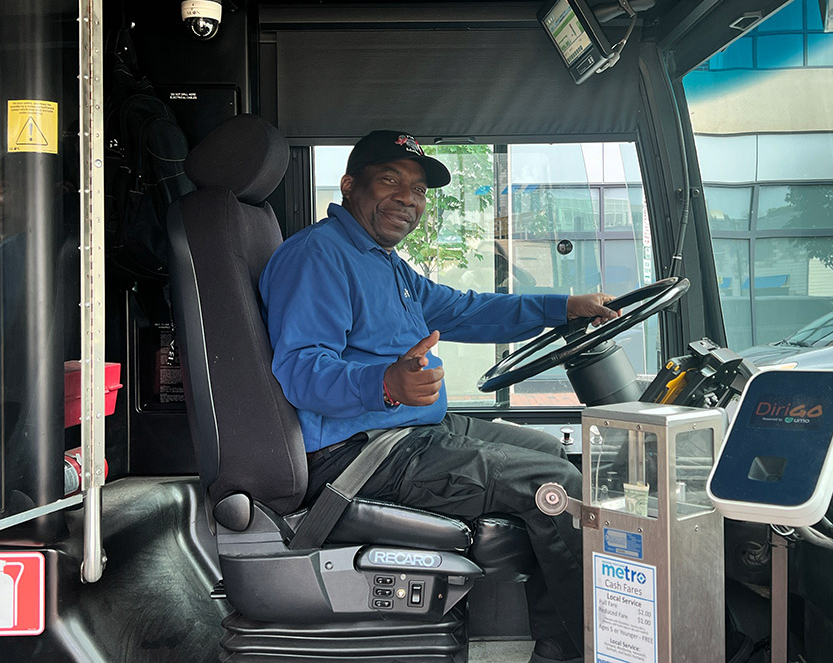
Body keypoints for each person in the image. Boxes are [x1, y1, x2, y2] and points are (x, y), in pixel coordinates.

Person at [259, 130, 620, 663]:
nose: (409, 198)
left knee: (551, 452)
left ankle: (555, 639)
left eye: (420, 189)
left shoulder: (382, 262)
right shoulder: (319, 257)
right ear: (349, 185)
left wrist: (565, 306)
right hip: (359, 454)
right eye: (390, 180)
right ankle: (579, 651)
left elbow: (465, 309)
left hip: (413, 432)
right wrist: (384, 382)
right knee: (557, 487)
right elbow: (298, 368)